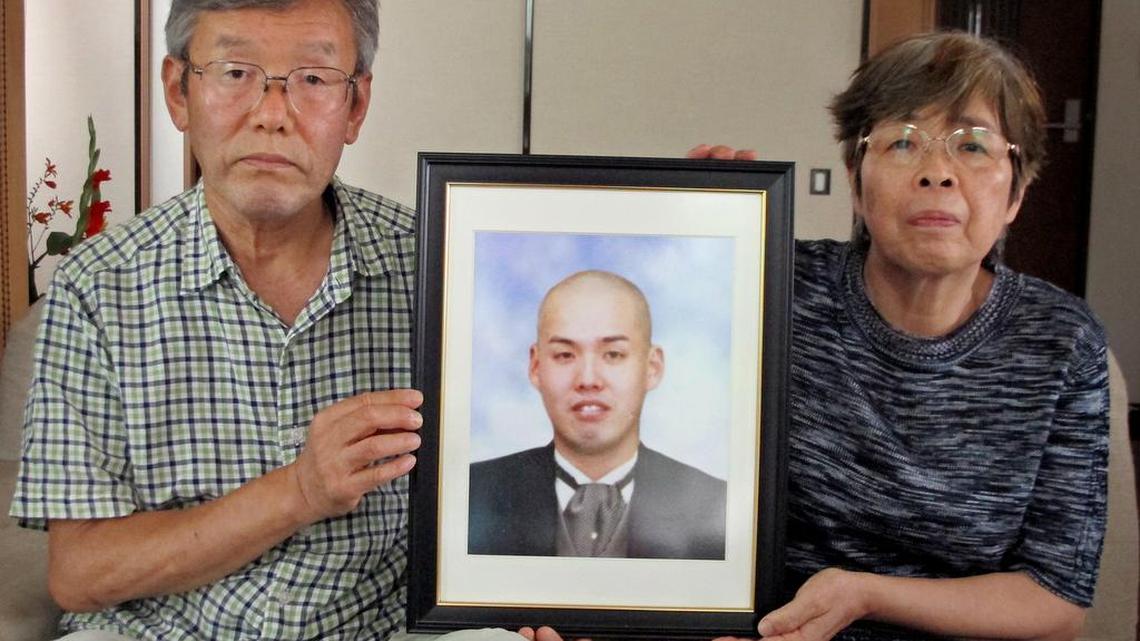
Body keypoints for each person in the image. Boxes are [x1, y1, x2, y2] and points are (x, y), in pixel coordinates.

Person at [9, 1, 425, 639]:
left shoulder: (431, 266)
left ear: (356, 106)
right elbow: (80, 573)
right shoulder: (96, 288)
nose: (271, 114)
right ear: (178, 91)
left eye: (313, 79)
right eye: (235, 72)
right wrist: (300, 491)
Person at [687, 31, 1107, 641]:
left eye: (973, 146)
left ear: (1016, 190)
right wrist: (691, 238)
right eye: (904, 142)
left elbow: (1056, 596)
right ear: (857, 181)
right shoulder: (769, 283)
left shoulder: (1061, 341)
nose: (937, 173)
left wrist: (863, 594)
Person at [467, 270, 727, 560]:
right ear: (536, 367)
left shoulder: (718, 504)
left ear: (652, 367)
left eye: (613, 354)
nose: (588, 379)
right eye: (565, 355)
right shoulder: (469, 495)